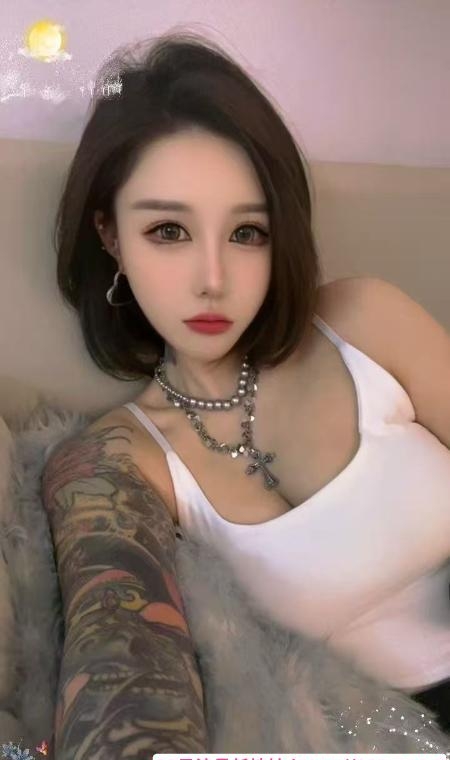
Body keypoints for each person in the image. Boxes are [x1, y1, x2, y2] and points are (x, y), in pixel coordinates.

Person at [42, 28, 450, 758]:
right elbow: (120, 660)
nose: (213, 280)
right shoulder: (120, 459)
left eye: (248, 233)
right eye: (168, 230)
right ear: (109, 234)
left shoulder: (364, 321)